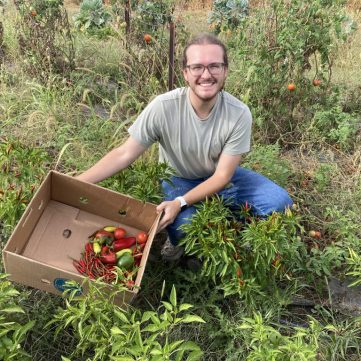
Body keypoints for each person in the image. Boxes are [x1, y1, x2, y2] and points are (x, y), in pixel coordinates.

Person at [76, 33, 293, 262]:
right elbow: (124, 153)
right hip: (178, 178)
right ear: (186, 73)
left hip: (218, 176)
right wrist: (77, 183)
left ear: (225, 71)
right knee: (184, 225)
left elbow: (222, 175)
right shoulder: (164, 107)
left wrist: (180, 203)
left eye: (214, 66)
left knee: (279, 202)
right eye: (197, 67)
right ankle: (183, 236)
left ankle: (232, 226)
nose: (206, 75)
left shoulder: (238, 113)